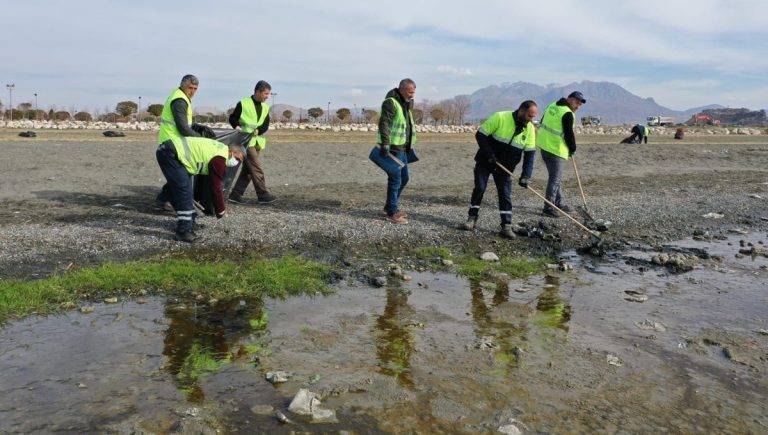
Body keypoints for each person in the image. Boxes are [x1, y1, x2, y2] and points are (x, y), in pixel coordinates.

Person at [462, 101, 538, 238]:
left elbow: (530, 155)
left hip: (506, 168)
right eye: (529, 116)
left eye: (532, 117)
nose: (530, 119)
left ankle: (506, 226)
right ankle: (471, 219)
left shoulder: (530, 129)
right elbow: (480, 135)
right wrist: (490, 155)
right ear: (521, 111)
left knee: (505, 194)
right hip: (485, 161)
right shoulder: (500, 117)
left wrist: (526, 176)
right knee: (480, 188)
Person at [156, 136, 244, 242]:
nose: (237, 162)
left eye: (240, 161)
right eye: (237, 158)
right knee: (185, 192)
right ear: (231, 151)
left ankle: (185, 219)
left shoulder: (220, 150)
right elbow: (216, 188)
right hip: (170, 153)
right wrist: (221, 210)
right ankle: (183, 232)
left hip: (171, 151)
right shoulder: (220, 158)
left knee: (179, 185)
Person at [155, 74, 215, 210]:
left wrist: (197, 126)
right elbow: (183, 128)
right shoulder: (179, 100)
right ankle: (172, 203)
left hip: (176, 143)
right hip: (171, 143)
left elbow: (185, 123)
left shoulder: (182, 97)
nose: (192, 91)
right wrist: (201, 140)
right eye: (190, 88)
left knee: (181, 173)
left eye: (195, 88)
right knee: (182, 174)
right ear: (183, 85)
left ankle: (163, 200)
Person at [536, 91, 586, 218]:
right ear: (569, 99)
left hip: (544, 145)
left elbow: (542, 120)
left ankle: (559, 202)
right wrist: (572, 149)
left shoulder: (552, 105)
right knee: (555, 179)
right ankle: (548, 207)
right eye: (576, 102)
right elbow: (569, 134)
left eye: (580, 104)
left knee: (555, 177)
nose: (578, 106)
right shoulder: (567, 113)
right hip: (555, 148)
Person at [227, 80, 276, 204]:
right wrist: (237, 127)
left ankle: (235, 195)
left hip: (257, 141)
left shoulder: (265, 107)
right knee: (256, 167)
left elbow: (265, 125)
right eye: (265, 93)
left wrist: (259, 130)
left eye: (268, 94)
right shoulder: (243, 103)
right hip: (245, 142)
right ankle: (263, 195)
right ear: (258, 92)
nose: (267, 96)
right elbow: (233, 118)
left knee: (249, 170)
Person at [376, 78, 417, 224]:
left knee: (404, 178)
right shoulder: (391, 102)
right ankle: (392, 212)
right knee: (396, 179)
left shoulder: (406, 103)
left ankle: (389, 206)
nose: (412, 95)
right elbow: (384, 122)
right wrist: (386, 143)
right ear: (402, 89)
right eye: (410, 92)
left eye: (414, 92)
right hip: (392, 147)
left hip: (403, 148)